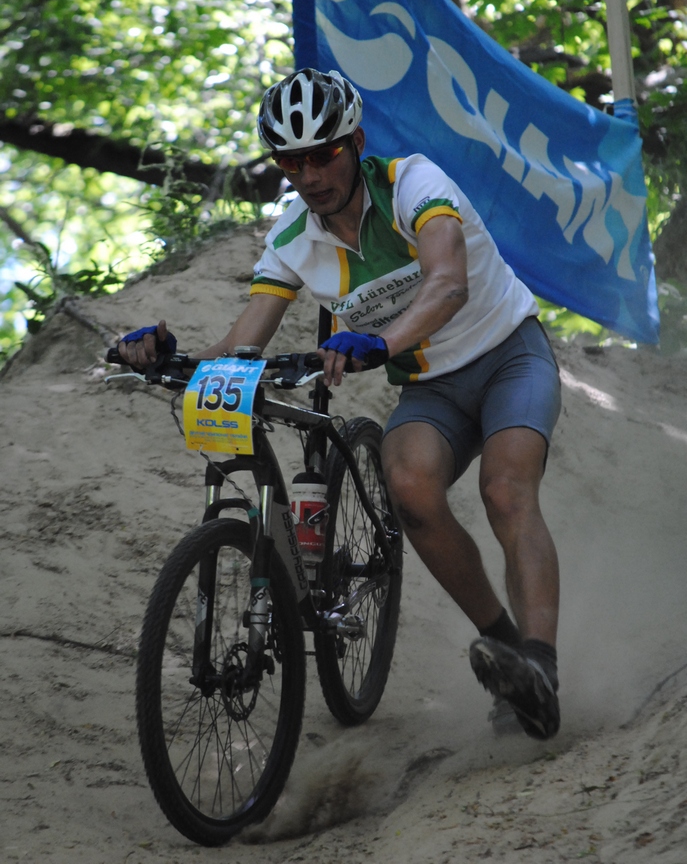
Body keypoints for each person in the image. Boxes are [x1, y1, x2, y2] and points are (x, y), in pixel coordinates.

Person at [120, 68, 562, 740]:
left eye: (323, 153)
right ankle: (507, 657)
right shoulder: (292, 235)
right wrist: (165, 355)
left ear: (355, 142)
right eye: (290, 161)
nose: (309, 174)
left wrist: (380, 342)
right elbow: (245, 340)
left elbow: (448, 283)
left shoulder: (413, 184)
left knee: (505, 492)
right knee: (408, 490)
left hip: (508, 356)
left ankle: (541, 663)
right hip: (432, 387)